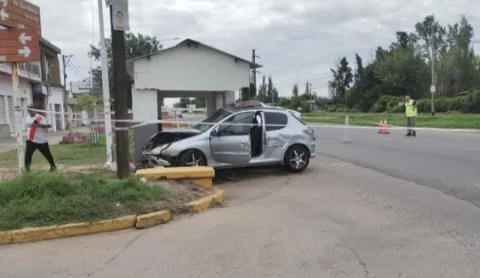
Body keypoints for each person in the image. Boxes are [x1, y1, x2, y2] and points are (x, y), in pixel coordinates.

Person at [25, 105, 57, 172]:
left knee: (47, 154)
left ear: (35, 110)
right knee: (27, 155)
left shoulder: (40, 117)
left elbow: (49, 125)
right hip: (31, 140)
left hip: (41, 141)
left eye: (32, 110)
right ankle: (26, 171)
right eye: (29, 110)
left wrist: (40, 125)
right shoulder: (27, 118)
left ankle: (53, 167)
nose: (30, 111)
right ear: (27, 111)